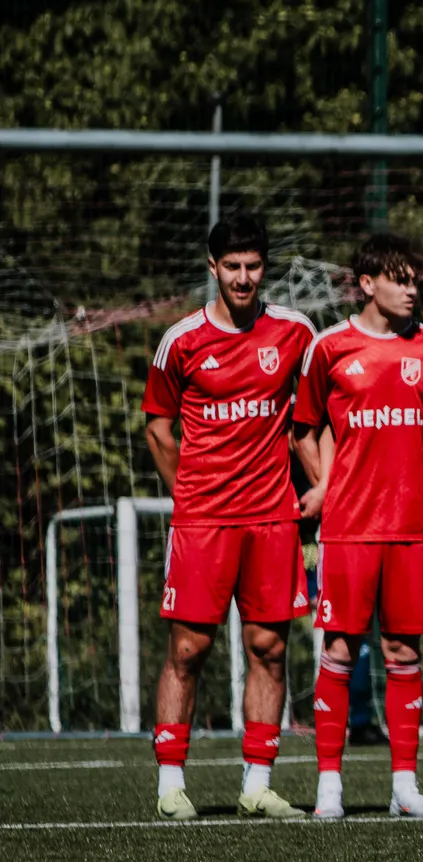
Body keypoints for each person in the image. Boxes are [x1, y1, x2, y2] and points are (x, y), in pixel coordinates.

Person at [142, 212, 315, 821]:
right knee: (189, 648)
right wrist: (190, 495)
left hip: (271, 517)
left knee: (269, 647)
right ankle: (170, 783)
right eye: (233, 266)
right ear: (213, 267)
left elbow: (310, 419)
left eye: (254, 266)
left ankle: (257, 784)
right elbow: (158, 429)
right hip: (204, 522)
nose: (243, 278)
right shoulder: (182, 340)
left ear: (265, 268)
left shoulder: (295, 332)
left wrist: (323, 484)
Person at [295, 234, 423, 819]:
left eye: (415, 281)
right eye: (399, 280)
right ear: (367, 284)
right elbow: (304, 428)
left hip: (411, 524)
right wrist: (329, 485)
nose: (411, 291)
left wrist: (409, 468)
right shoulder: (329, 347)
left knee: (404, 649)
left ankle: (405, 786)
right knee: (340, 647)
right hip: (350, 526)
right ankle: (329, 786)